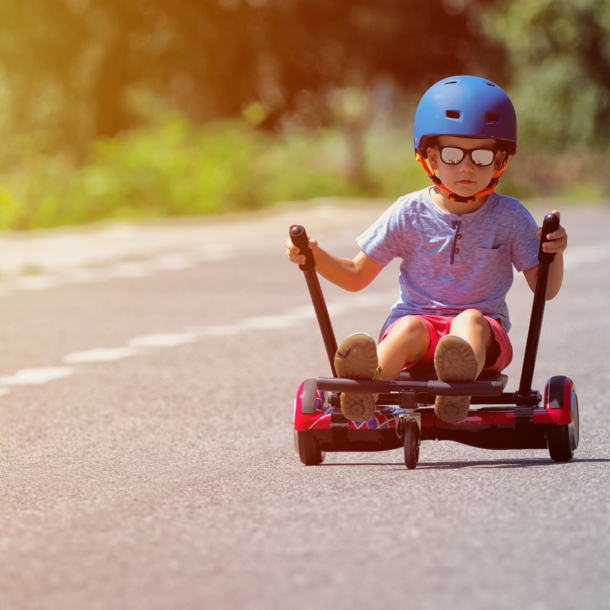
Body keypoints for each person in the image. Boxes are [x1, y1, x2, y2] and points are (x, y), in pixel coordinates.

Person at [286, 75, 568, 424]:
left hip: (482, 336)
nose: (466, 166)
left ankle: (457, 386)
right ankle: (365, 388)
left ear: (500, 160)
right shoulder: (408, 212)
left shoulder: (510, 216)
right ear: (431, 157)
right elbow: (357, 276)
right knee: (406, 327)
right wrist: (315, 257)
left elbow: (546, 289)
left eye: (481, 155)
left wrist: (552, 253)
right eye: (452, 154)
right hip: (420, 329)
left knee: (469, 321)